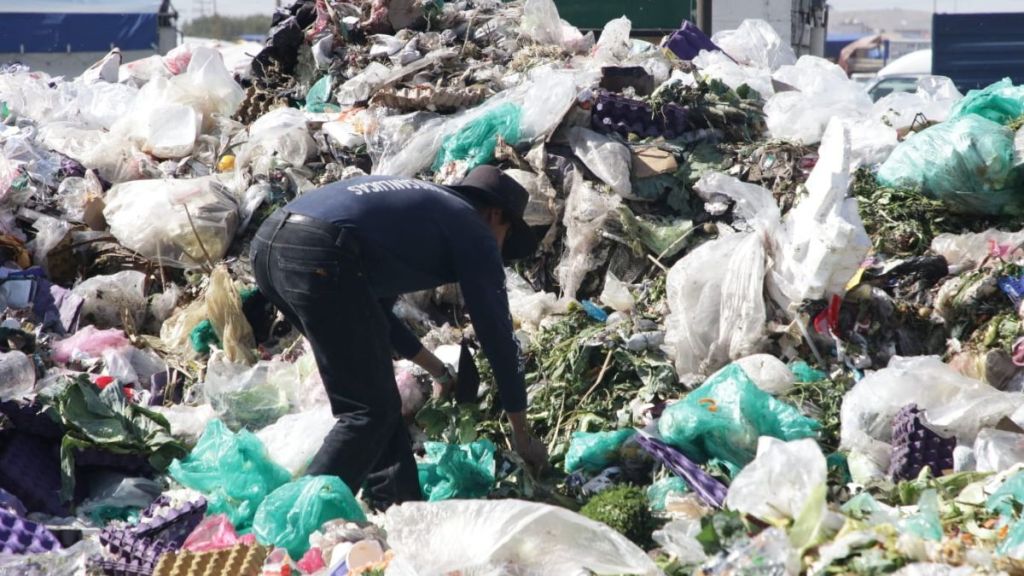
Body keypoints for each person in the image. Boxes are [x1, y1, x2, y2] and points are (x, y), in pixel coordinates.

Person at [250, 165, 549, 509]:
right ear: (495, 214)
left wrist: (438, 370)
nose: (500, 249)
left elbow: (375, 320)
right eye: (506, 237)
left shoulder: (423, 211)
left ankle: (397, 505)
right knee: (368, 412)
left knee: (377, 397)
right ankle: (293, 519)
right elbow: (496, 332)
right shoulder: (472, 226)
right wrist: (522, 434)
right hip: (319, 252)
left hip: (270, 245)